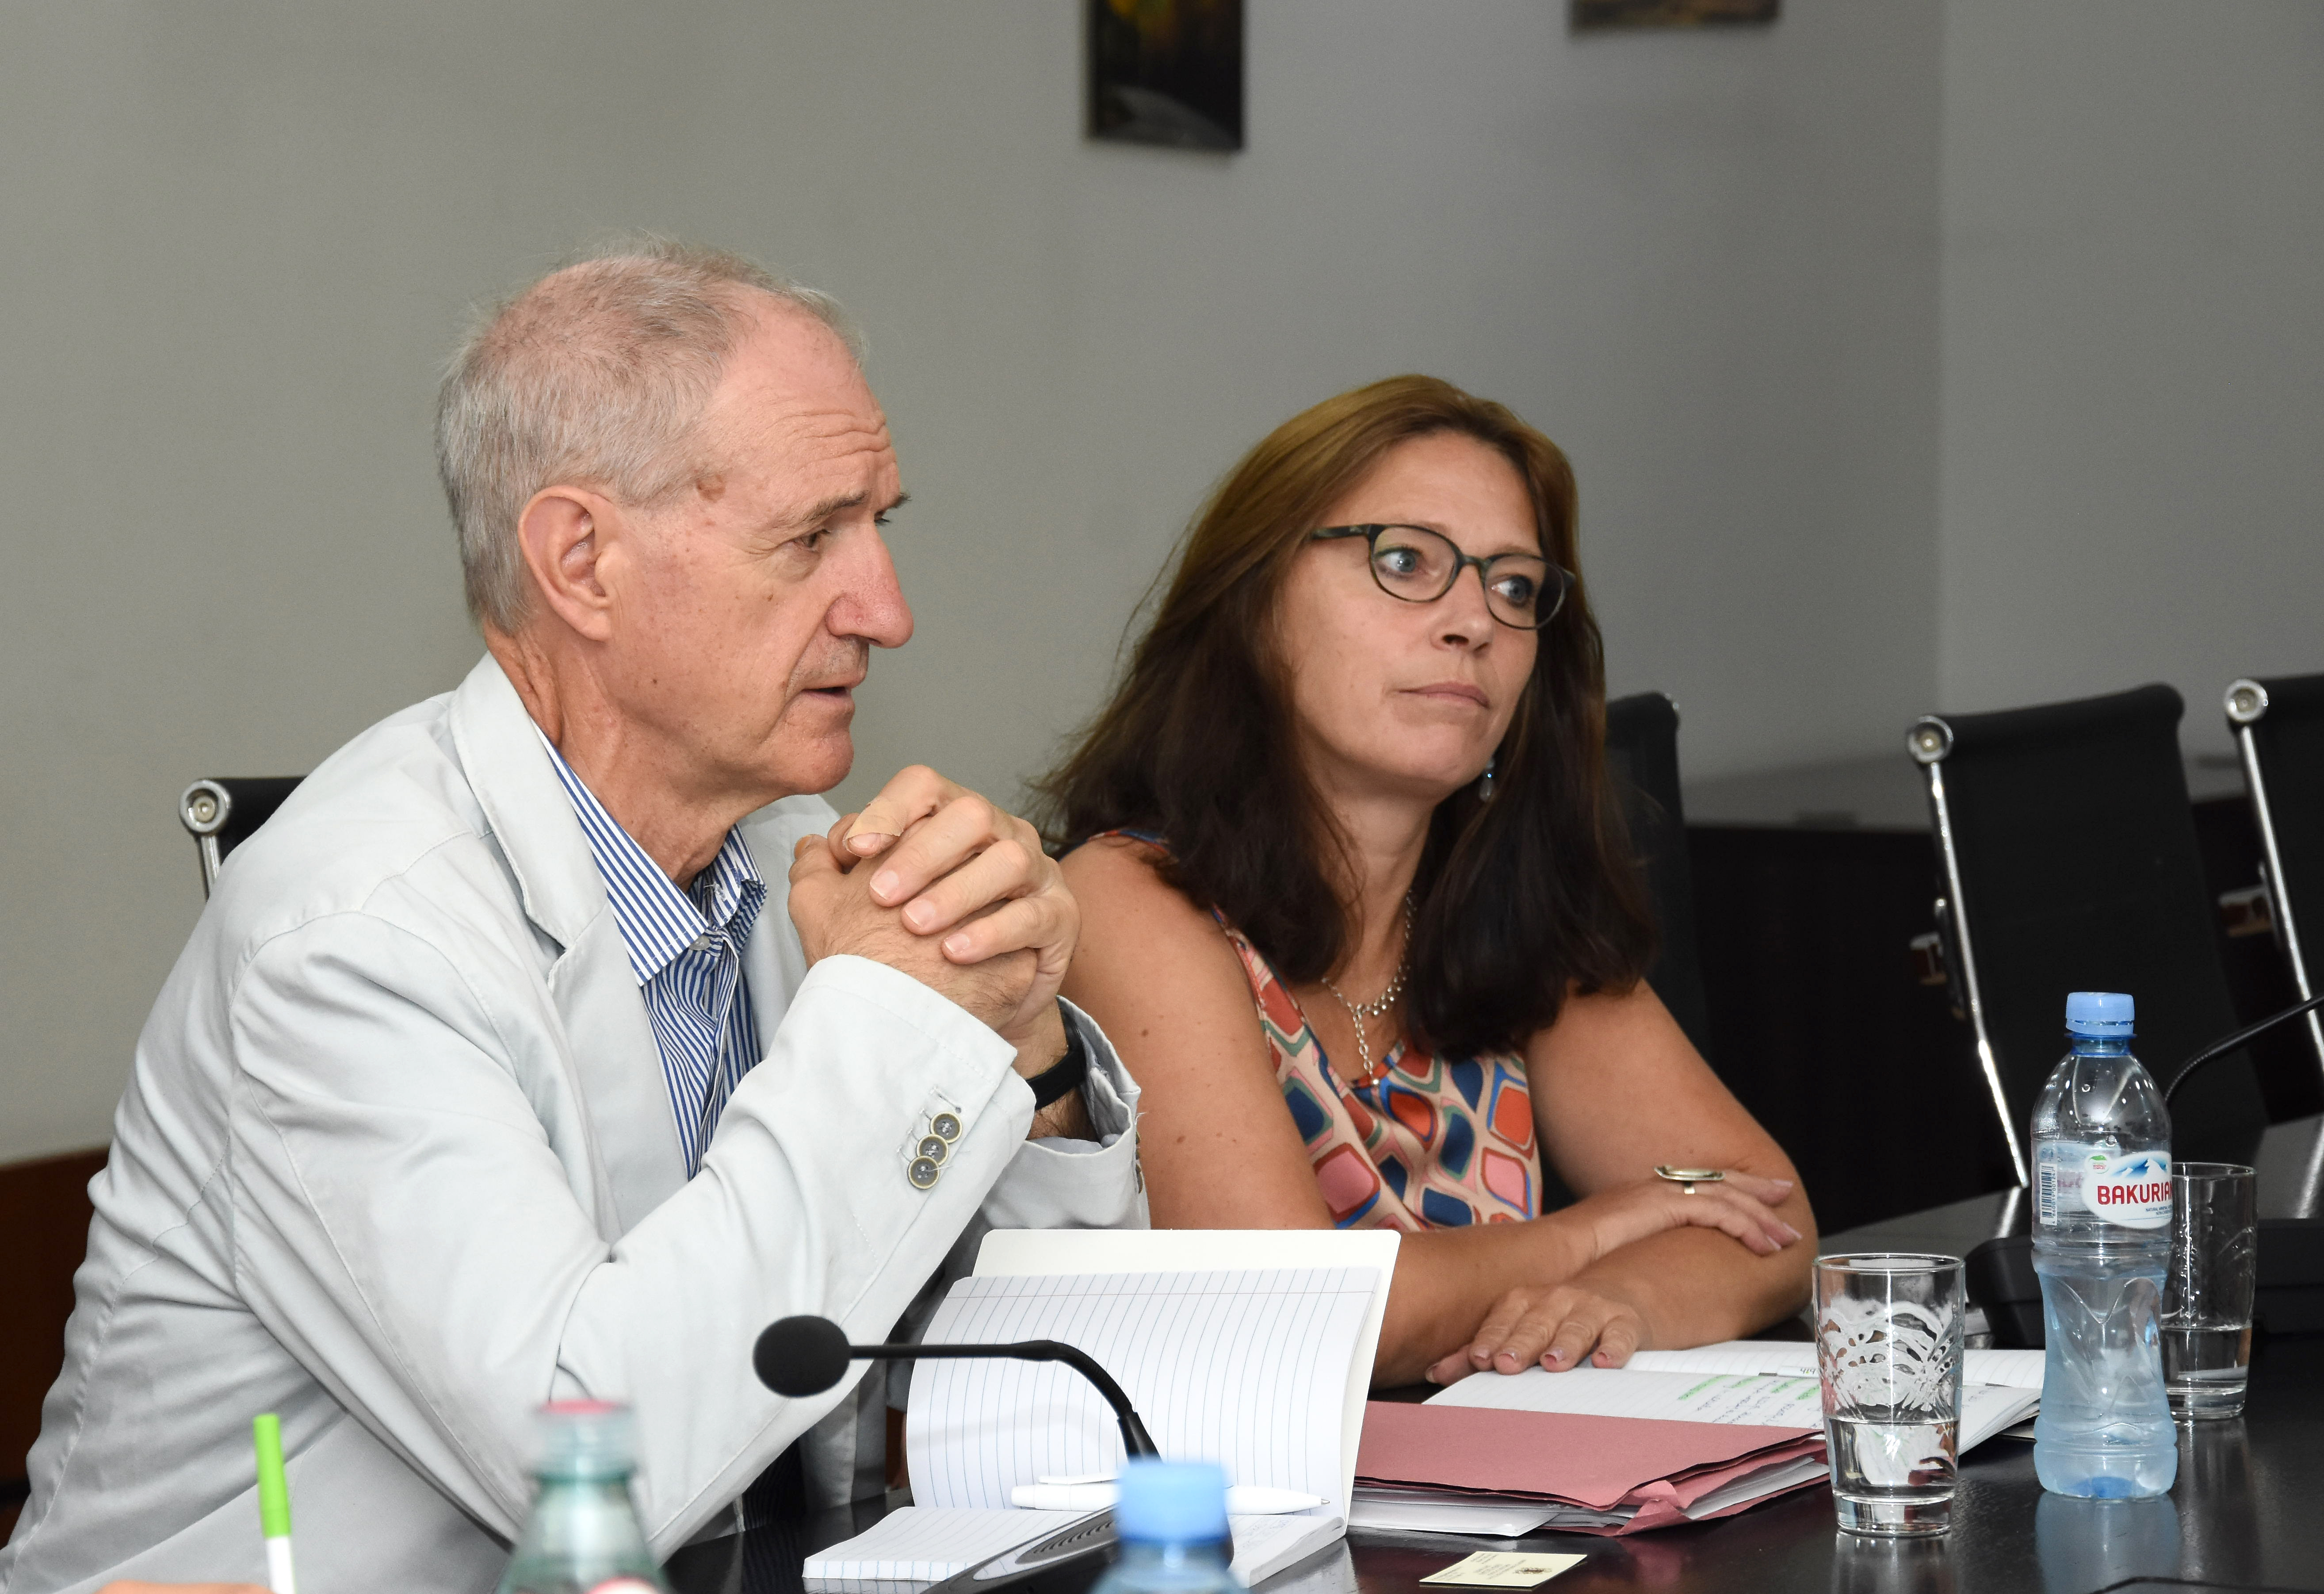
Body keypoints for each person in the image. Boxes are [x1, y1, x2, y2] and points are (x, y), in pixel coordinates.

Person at [1, 242, 1142, 1593]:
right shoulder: (350, 935)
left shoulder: (799, 859)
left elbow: (1060, 1415)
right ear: (583, 562)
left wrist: (1028, 1055)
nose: (888, 610)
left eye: (881, 525)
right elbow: (591, 1472)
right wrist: (891, 1020)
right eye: (810, 538)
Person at [1044, 376, 1812, 1390]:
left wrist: (1622, 1299)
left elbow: (1766, 1212)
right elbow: (1294, 1313)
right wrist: (1591, 1234)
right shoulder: (1128, 895)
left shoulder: (1500, 906)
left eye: (1515, 588)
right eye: (1405, 560)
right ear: (1254, 600)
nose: (1474, 623)